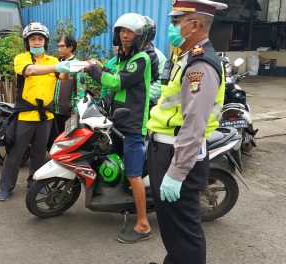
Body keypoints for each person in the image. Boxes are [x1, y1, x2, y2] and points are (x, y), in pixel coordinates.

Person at [146, 1, 227, 263]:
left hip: (177, 153)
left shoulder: (200, 63)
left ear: (195, 25)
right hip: (165, 149)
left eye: (176, 22)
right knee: (171, 225)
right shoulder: (185, 57)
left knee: (183, 229)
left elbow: (194, 124)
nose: (171, 27)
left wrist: (177, 172)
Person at [86, 13, 152, 243]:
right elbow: (110, 76)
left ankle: (143, 224)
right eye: (122, 31)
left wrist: (94, 70)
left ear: (139, 36)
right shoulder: (123, 59)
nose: (125, 35)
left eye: (130, 32)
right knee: (115, 161)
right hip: (118, 123)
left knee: (134, 175)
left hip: (133, 127)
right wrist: (95, 67)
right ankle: (124, 200)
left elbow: (116, 82)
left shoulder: (141, 59)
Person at [0, 22, 70, 202]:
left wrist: (69, 68)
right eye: (33, 39)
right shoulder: (21, 59)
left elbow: (62, 77)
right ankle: (5, 187)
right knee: (15, 153)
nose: (37, 42)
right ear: (27, 42)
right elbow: (30, 71)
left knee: (39, 153)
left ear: (45, 42)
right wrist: (57, 67)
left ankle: (35, 183)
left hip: (46, 115)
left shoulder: (53, 61)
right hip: (25, 114)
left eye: (40, 39)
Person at [53, 34, 82, 133]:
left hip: (68, 112)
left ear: (70, 47)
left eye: (62, 46)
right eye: (58, 46)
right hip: (53, 111)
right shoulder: (55, 64)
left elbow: (80, 90)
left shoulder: (76, 65)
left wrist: (75, 112)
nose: (59, 49)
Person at [143, 16, 167, 103]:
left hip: (149, 103)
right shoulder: (128, 53)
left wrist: (140, 97)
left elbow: (161, 83)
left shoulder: (156, 56)